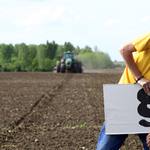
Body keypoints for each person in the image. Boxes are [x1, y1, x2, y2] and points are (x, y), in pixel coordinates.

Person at [96, 32, 150, 150]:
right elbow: (124, 49)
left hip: (148, 106)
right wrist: (139, 78)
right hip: (125, 97)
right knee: (106, 147)